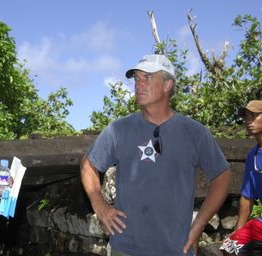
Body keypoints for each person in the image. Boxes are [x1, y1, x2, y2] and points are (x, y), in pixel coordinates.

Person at [80, 54, 231, 256]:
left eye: (147, 78)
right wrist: (99, 205)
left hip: (177, 250)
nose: (138, 84)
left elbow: (223, 176)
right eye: (136, 79)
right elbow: (88, 164)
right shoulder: (118, 130)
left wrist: (199, 225)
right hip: (126, 249)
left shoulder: (194, 132)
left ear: (168, 84)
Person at [220, 100, 262, 255]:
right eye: (246, 116)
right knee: (229, 248)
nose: (248, 120)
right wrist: (237, 233)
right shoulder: (253, 155)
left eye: (254, 115)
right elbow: (247, 196)